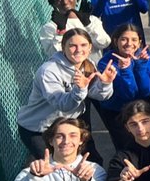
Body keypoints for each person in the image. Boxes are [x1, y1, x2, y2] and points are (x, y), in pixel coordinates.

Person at [16, 29, 115, 161]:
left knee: (92, 161)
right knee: (55, 167)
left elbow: (99, 95)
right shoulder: (48, 71)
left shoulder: (88, 65)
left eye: (83, 45)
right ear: (63, 48)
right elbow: (64, 105)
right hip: (40, 129)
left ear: (90, 47)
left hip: (69, 125)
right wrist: (79, 89)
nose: (78, 50)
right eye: (72, 45)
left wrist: (105, 84)